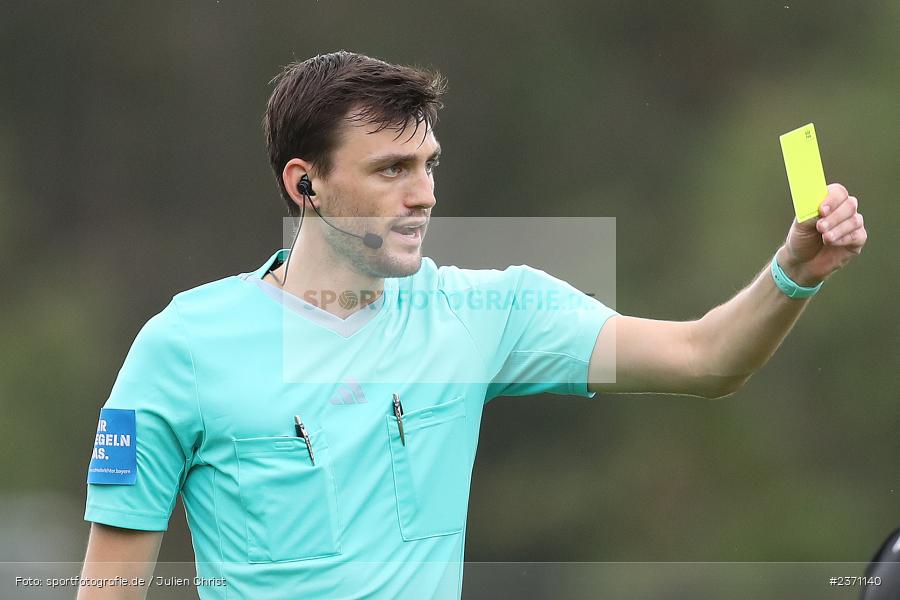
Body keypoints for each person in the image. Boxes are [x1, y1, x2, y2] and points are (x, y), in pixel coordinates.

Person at [78, 51, 868, 599]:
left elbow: (707, 359)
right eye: (392, 169)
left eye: (429, 167)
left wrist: (792, 272)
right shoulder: (181, 347)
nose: (423, 194)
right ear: (305, 183)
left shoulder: (490, 312)